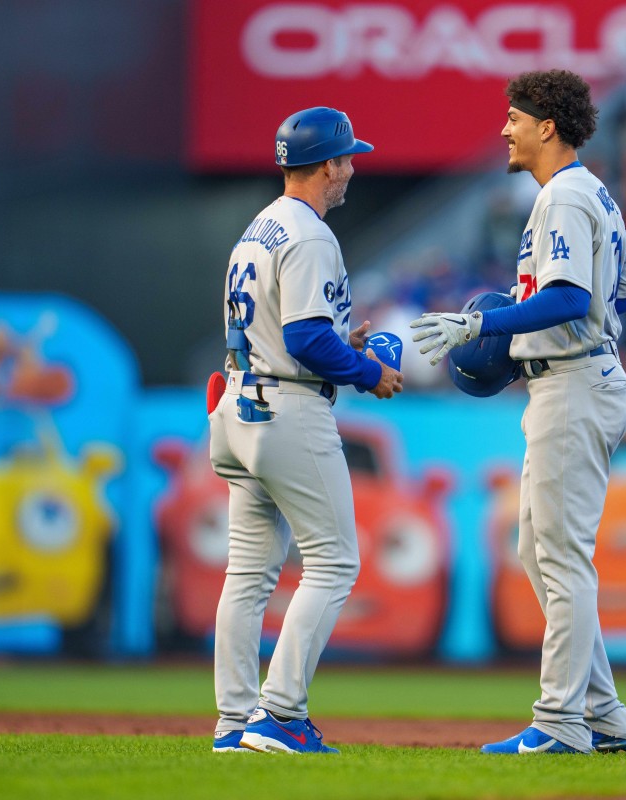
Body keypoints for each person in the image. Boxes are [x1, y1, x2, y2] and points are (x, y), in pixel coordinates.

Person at [412, 69, 626, 755]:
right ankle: (601, 714)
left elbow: (574, 297)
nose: (504, 128)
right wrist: (536, 331)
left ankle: (561, 722)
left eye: (514, 117)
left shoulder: (567, 195)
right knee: (537, 551)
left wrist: (489, 327)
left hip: (574, 382)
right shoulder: (590, 193)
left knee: (562, 557)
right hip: (572, 376)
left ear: (547, 126)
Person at [209, 106, 403, 755]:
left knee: (248, 575)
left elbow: (291, 331)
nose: (351, 169)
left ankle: (235, 721)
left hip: (239, 403)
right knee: (334, 562)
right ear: (326, 165)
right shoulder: (312, 233)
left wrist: (332, 346)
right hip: (288, 409)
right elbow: (303, 337)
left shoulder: (259, 226)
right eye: (347, 159)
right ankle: (281, 714)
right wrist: (365, 370)